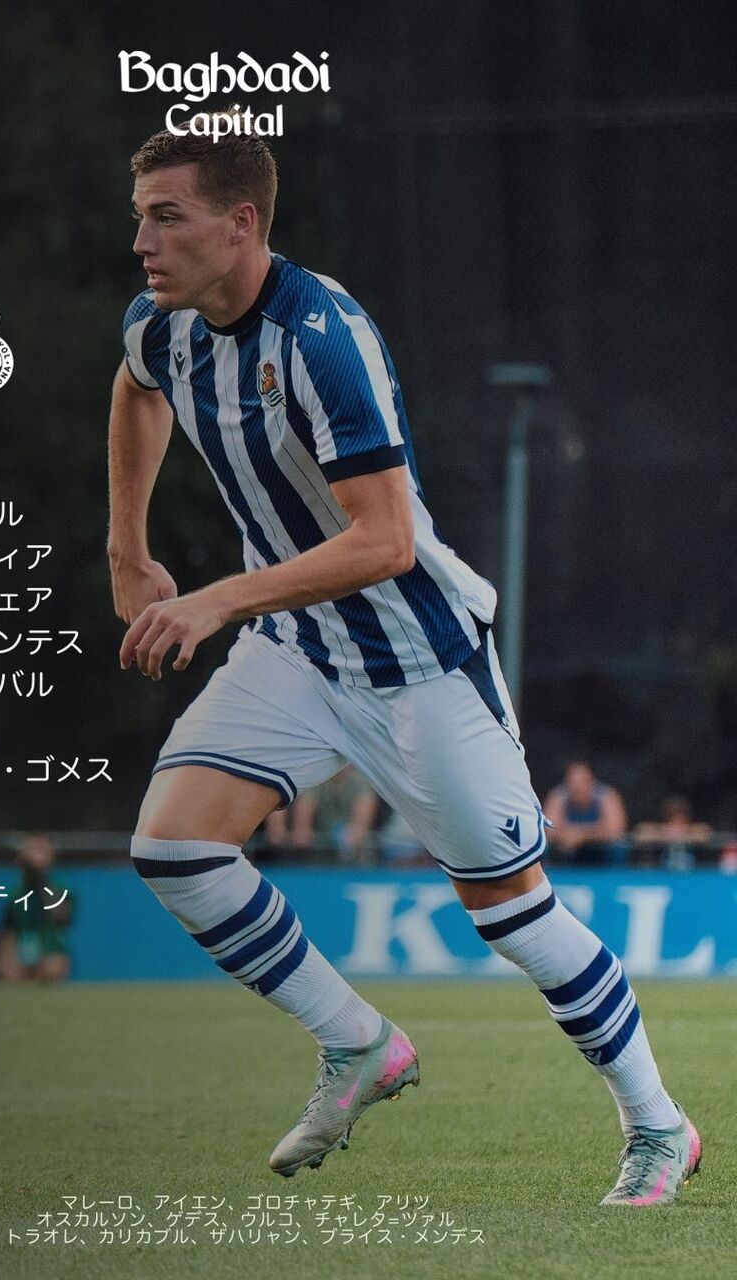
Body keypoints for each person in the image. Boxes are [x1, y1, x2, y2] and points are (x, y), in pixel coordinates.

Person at [107, 113, 700, 1204]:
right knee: (175, 847)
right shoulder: (164, 323)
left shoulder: (323, 338)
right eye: (141, 216)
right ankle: (357, 1042)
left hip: (420, 660)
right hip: (298, 649)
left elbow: (381, 541)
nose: (142, 241)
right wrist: (127, 548)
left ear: (240, 224)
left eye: (166, 217)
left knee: (514, 916)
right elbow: (136, 386)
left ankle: (660, 1125)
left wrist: (213, 599)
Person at [0, 833, 73, 983]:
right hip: (18, 954)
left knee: (52, 967)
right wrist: (6, 961)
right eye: (31, 850)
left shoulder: (62, 890)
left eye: (41, 851)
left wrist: (41, 880)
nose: (36, 856)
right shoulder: (14, 893)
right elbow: (7, 932)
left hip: (49, 954)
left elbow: (61, 919)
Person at [544, 761, 629, 866]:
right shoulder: (558, 797)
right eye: (573, 784)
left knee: (618, 847)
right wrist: (566, 836)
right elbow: (549, 831)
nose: (578, 788)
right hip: (567, 852)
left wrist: (582, 835)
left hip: (601, 851)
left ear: (591, 782)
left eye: (582, 782)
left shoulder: (606, 796)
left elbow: (616, 831)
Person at [632, 795, 713, 871]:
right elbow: (641, 833)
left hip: (690, 874)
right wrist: (665, 834)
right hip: (664, 873)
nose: (677, 824)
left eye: (681, 820)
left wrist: (681, 836)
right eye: (673, 819)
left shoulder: (694, 831)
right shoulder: (660, 831)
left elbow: (704, 834)